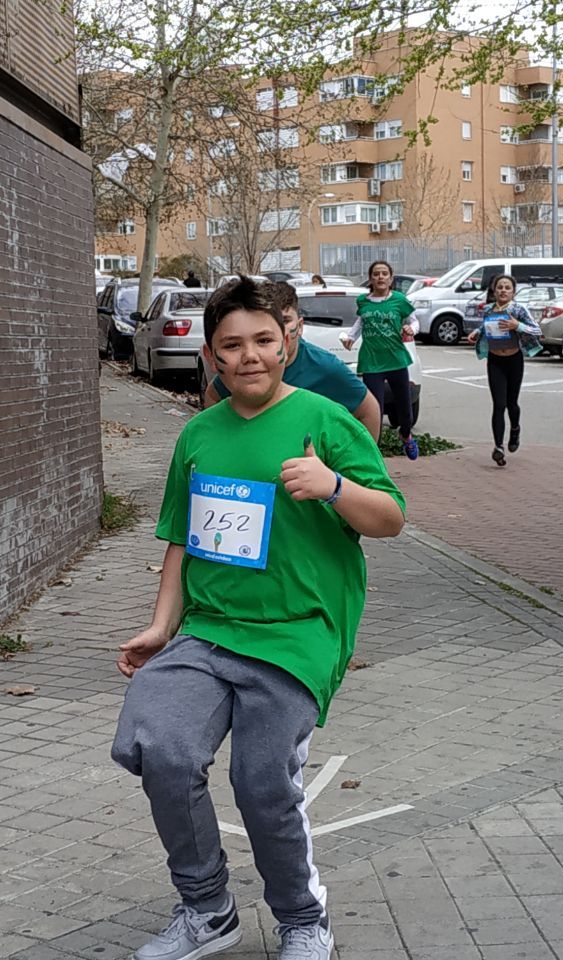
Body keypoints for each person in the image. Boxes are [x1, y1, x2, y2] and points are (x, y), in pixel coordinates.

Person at [111, 277, 406, 960]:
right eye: (232, 345)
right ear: (211, 355)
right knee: (162, 748)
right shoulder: (198, 435)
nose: (249, 356)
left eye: (263, 341)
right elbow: (181, 540)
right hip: (210, 629)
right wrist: (161, 626)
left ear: (286, 344)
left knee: (260, 779)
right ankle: (207, 910)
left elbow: (390, 518)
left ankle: (302, 919)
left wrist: (333, 487)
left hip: (297, 632)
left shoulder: (324, 422)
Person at [203, 281, 382, 439]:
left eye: (286, 320)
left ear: (300, 326)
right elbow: (213, 394)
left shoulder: (325, 367)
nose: (281, 328)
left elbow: (369, 409)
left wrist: (357, 458)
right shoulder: (245, 371)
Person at [341, 260, 420, 460]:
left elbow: (414, 321)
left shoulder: (399, 300)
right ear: (371, 279)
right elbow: (361, 321)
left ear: (391, 279)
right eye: (376, 274)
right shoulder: (363, 301)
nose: (380, 277)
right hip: (372, 362)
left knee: (405, 411)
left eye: (384, 273)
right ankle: (374, 453)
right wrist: (350, 337)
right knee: (375, 410)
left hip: (396, 360)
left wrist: (411, 329)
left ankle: (406, 435)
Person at [467, 274, 543, 467]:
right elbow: (485, 326)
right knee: (498, 404)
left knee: (511, 403)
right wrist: (476, 332)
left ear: (513, 292)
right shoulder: (488, 309)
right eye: (499, 287)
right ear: (494, 291)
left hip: (514, 359)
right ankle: (498, 447)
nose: (503, 291)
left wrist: (517, 325)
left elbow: (537, 330)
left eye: (507, 288)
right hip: (495, 360)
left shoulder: (518, 309)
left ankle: (515, 429)